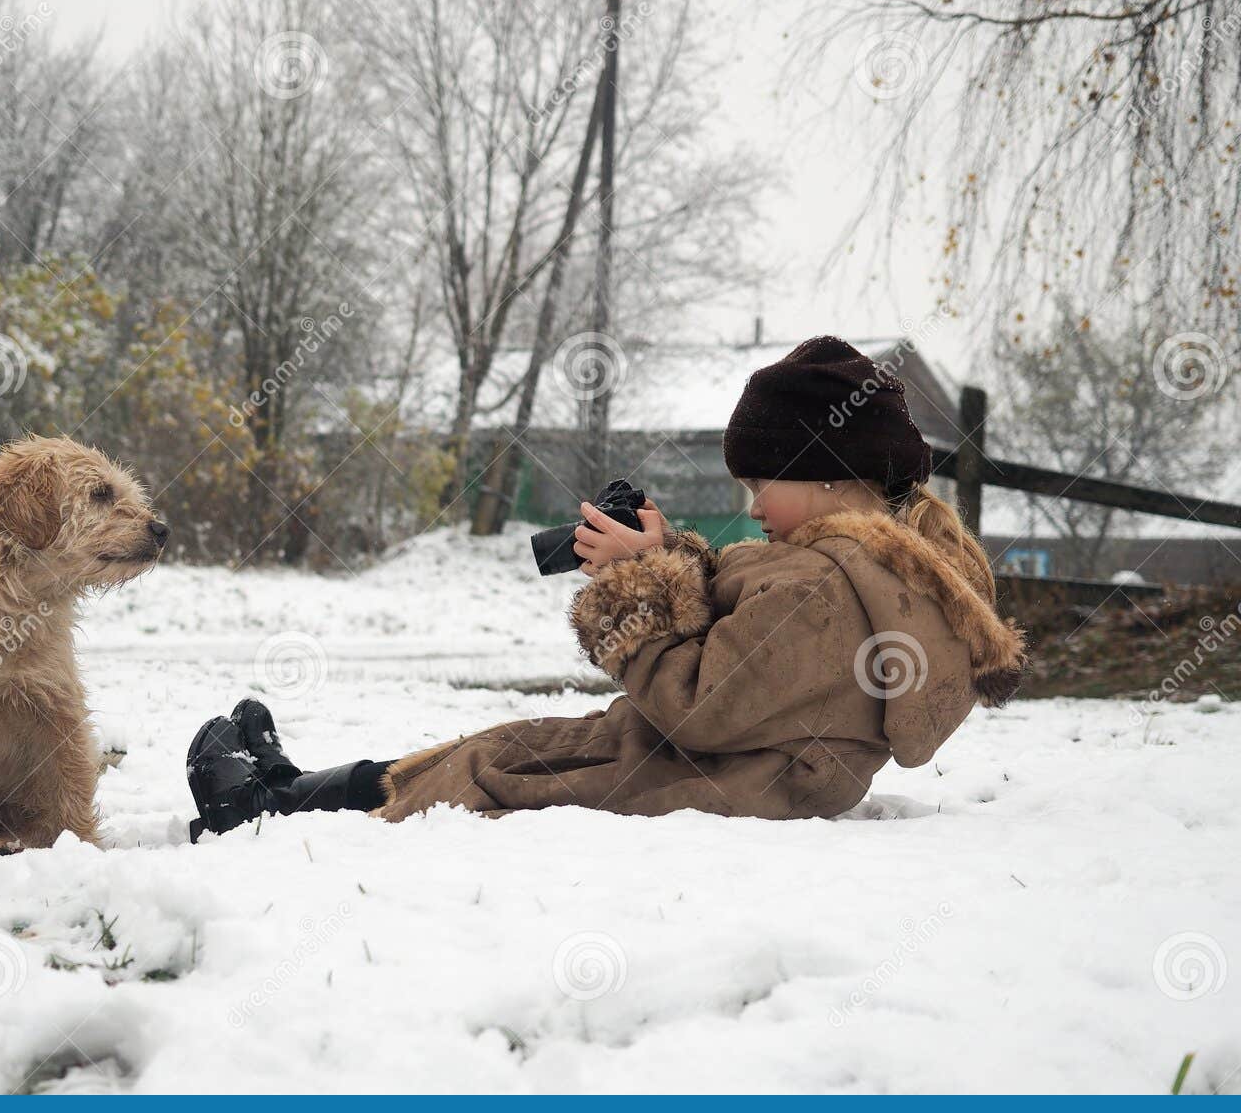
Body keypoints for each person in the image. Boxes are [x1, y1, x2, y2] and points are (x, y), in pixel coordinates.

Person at [184, 335, 1028, 840]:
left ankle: (263, 816)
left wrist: (636, 583)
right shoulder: (863, 568)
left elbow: (701, 700)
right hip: (730, 767)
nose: (752, 506)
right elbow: (751, 631)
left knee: (491, 771)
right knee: (507, 742)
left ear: (824, 474)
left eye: (760, 481)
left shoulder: (820, 585)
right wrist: (670, 554)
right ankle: (289, 792)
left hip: (708, 777)